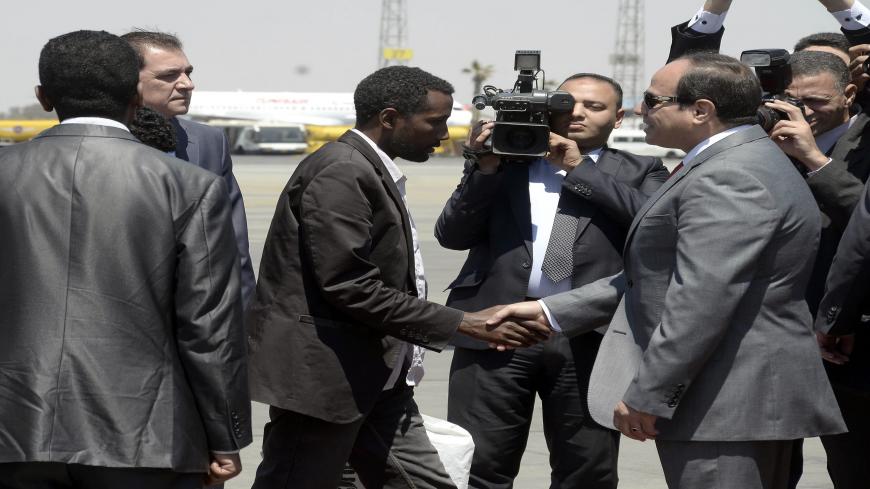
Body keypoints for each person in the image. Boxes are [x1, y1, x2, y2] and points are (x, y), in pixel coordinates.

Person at [490, 52, 846, 489]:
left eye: (653, 100)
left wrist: (651, 393)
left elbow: (701, 298)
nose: (641, 110)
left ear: (701, 111)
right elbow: (658, 273)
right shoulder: (731, 161)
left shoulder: (731, 175)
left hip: (726, 402)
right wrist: (550, 312)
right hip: (735, 400)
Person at [245, 65, 551, 489]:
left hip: (381, 378)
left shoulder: (370, 169)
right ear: (389, 119)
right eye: (435, 122)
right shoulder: (342, 170)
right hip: (327, 378)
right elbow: (348, 284)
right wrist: (464, 322)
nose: (444, 136)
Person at [0, 30, 251, 488]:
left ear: (42, 97)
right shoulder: (189, 186)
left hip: (13, 431)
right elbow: (207, 327)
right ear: (136, 95)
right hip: (144, 438)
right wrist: (223, 437)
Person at [436, 73, 667, 489]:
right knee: (479, 464)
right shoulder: (505, 163)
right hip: (497, 328)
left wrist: (578, 167)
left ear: (617, 120)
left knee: (587, 468)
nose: (577, 113)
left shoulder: (642, 169)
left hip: (588, 334)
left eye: (594, 107)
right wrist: (483, 168)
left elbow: (656, 228)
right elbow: (452, 236)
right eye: (567, 104)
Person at [121, 30, 256, 306]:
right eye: (169, 75)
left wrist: (243, 320)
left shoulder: (209, 142)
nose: (187, 84)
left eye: (188, 73)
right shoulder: (95, 144)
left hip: (197, 318)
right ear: (127, 81)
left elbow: (233, 243)